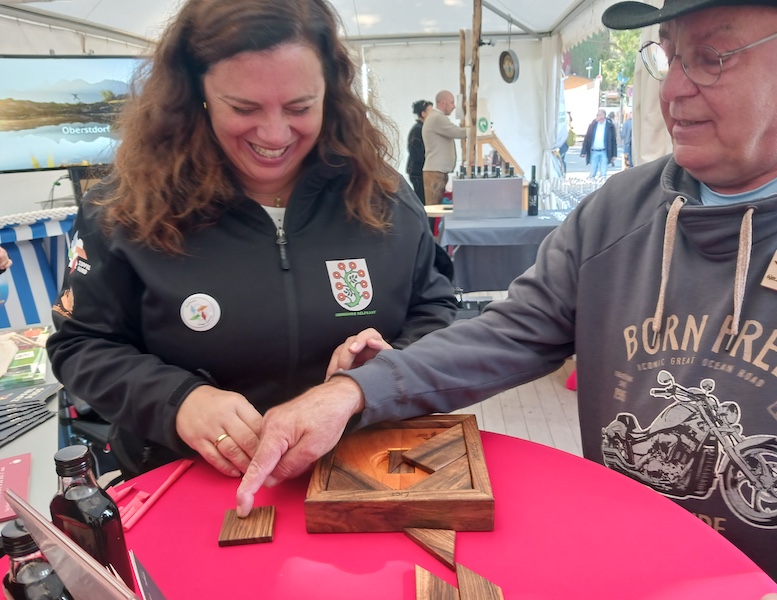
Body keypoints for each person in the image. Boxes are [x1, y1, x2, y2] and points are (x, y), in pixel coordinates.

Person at [236, 0, 777, 595]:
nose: (674, 90)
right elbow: (511, 331)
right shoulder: (617, 211)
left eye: (712, 58)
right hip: (625, 563)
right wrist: (354, 391)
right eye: (669, 56)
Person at [45, 0, 457, 479]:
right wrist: (180, 401)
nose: (275, 134)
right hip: (189, 479)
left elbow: (435, 310)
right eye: (243, 108)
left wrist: (378, 376)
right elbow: (82, 345)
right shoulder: (124, 209)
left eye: (300, 107)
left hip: (363, 474)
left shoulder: (382, 196)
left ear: (331, 93)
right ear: (196, 93)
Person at [421, 90, 467, 206]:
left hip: (437, 171)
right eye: (451, 103)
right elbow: (457, 132)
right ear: (442, 103)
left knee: (435, 206)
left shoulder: (435, 117)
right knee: (434, 208)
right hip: (435, 172)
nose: (454, 106)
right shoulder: (437, 118)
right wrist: (477, 129)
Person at [406, 99, 432, 205]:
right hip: (417, 171)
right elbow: (416, 152)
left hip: (420, 170)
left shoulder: (424, 128)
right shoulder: (418, 129)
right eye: (431, 111)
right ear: (423, 113)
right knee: (422, 200)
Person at [580, 108, 617, 178]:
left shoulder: (610, 126)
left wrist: (614, 154)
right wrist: (583, 151)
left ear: (603, 116)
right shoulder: (592, 125)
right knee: (592, 173)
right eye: (597, 115)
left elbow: (613, 141)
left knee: (603, 173)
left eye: (599, 115)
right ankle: (592, 182)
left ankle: (602, 183)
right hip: (594, 151)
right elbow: (587, 138)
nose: (597, 117)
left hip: (604, 152)